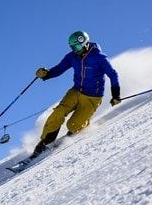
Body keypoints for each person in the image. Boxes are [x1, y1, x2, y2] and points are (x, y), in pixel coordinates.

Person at [30, 30, 121, 158]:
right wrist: (47, 74)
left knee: (73, 125)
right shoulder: (72, 57)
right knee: (58, 113)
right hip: (75, 92)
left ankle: (77, 130)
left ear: (85, 43)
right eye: (72, 47)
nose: (75, 49)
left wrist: (116, 95)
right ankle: (43, 144)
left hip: (92, 97)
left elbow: (113, 74)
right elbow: (60, 68)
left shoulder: (99, 57)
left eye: (77, 46)